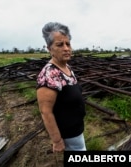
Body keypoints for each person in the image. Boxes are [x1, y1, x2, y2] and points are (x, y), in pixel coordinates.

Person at [36, 22, 86, 152]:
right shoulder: (49, 75)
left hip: (76, 128)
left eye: (68, 44)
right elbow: (46, 112)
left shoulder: (66, 67)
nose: (66, 48)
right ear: (49, 48)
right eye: (60, 44)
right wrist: (57, 141)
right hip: (67, 133)